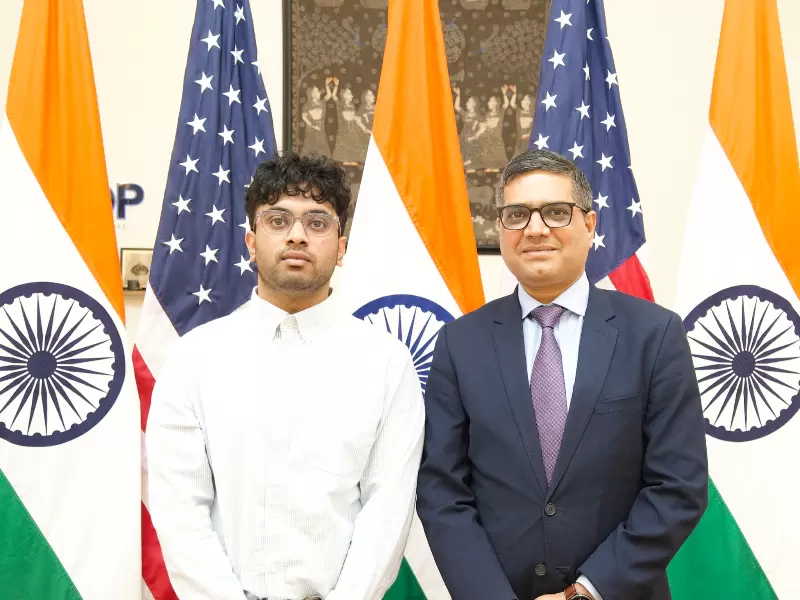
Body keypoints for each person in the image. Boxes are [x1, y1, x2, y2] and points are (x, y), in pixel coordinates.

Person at [417, 149, 708, 600]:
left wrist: (586, 592)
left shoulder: (654, 335)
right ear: (501, 229)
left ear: (589, 226)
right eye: (517, 215)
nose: (535, 229)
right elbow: (442, 491)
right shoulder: (460, 342)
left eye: (556, 212)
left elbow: (678, 487)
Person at [146, 153, 425, 600]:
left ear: (341, 247)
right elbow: (180, 510)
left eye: (317, 222)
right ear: (251, 243)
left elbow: (387, 511)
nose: (297, 235)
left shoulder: (387, 363)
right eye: (278, 221)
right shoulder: (194, 358)